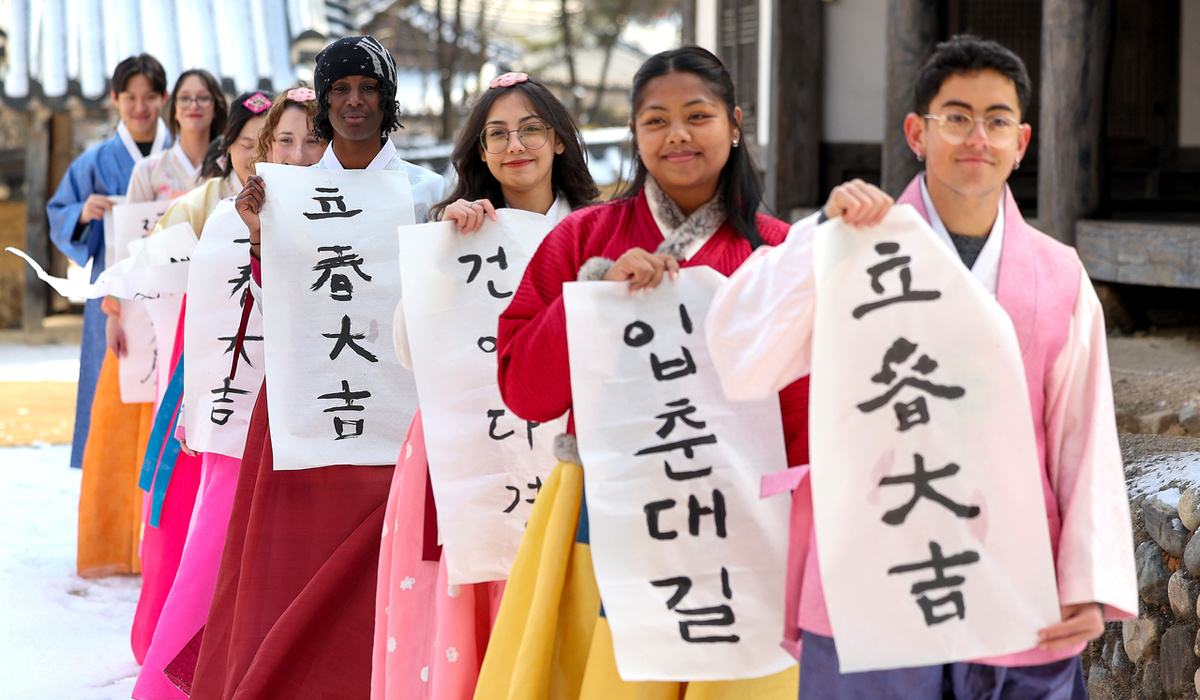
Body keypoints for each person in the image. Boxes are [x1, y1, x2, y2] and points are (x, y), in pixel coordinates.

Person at [703, 35, 1137, 699]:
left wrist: (1088, 584)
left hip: (1014, 578)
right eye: (956, 117)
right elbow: (741, 359)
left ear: (1021, 142)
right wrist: (823, 231)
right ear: (917, 132)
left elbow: (1083, 442)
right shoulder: (850, 247)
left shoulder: (1058, 274)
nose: (977, 138)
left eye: (996, 121)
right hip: (871, 573)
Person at [477, 46, 804, 698]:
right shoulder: (584, 239)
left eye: (698, 115)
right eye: (655, 120)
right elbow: (525, 392)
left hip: (739, 516)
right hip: (608, 505)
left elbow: (802, 417)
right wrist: (595, 295)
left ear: (735, 124)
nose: (677, 134)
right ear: (634, 133)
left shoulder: (779, 252)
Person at [190, 37, 445, 700]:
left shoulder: (428, 190)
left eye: (368, 87)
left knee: (384, 570)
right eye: (340, 89)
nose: (354, 101)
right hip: (309, 398)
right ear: (324, 102)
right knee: (292, 575)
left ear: (389, 99)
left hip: (400, 404)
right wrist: (256, 237)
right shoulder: (287, 192)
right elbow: (279, 305)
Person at [373, 71, 599, 700]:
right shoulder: (456, 228)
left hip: (568, 441)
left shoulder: (598, 228)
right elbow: (407, 350)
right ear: (479, 151)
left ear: (558, 141)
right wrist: (445, 252)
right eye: (496, 133)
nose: (514, 144)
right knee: (469, 581)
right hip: (463, 433)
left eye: (531, 128)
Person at [131, 91, 276, 700]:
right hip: (212, 375)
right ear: (231, 147)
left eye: (286, 144)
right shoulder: (202, 207)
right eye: (253, 144)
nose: (264, 156)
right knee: (194, 523)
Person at [46, 54, 169, 576]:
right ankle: (113, 537)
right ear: (116, 100)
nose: (140, 107)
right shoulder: (95, 162)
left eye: (149, 96)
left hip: (169, 294)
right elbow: (60, 214)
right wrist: (83, 213)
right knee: (113, 409)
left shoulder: (182, 157)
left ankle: (160, 536)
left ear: (162, 99)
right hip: (115, 301)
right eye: (130, 97)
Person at [126, 68, 227, 202]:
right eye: (184, 98)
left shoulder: (231, 168)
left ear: (216, 109)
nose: (193, 106)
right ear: (175, 110)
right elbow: (132, 222)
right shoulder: (146, 171)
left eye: (203, 98)